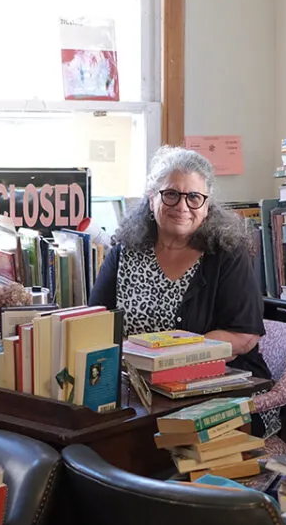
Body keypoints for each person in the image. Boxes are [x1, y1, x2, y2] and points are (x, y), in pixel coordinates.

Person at [89, 144, 272, 390]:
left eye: (194, 197)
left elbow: (244, 337)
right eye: (171, 194)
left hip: (218, 386)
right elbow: (95, 325)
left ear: (207, 207)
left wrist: (166, 360)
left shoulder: (226, 254)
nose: (182, 207)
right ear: (153, 197)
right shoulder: (124, 252)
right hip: (135, 385)